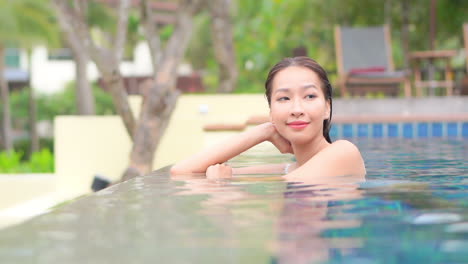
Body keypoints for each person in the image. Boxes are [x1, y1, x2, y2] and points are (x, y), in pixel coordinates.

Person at [170, 56, 366, 181]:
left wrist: (222, 186)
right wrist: (265, 131)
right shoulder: (290, 168)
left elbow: (286, 190)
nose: (296, 109)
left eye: (310, 96)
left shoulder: (344, 152)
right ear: (271, 111)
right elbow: (181, 172)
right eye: (284, 98)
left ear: (327, 107)